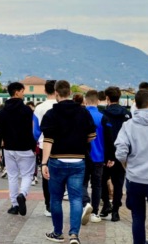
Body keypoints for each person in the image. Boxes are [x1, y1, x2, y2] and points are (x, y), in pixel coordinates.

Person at [41, 80, 96, 243]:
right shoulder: (83, 112)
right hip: (78, 160)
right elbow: (91, 137)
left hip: (56, 160)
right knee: (76, 198)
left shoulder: (51, 114)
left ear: (56, 93)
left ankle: (58, 233)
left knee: (55, 199)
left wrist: (44, 163)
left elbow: (47, 141)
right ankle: (74, 235)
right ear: (70, 93)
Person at [115, 89, 148, 244]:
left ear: (135, 104)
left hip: (135, 179)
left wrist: (127, 166)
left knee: (137, 217)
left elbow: (120, 153)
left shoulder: (128, 125)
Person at [0, 82, 36, 217]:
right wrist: (33, 146)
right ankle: (22, 194)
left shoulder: (3, 110)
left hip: (9, 148)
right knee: (27, 175)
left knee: (12, 176)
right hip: (25, 148)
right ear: (17, 92)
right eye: (23, 91)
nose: (24, 94)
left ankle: (14, 205)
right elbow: (31, 131)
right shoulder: (27, 110)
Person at [82, 90, 115, 224]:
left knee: (82, 183)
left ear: (85, 101)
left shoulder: (81, 116)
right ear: (97, 101)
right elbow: (109, 139)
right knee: (97, 185)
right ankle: (95, 212)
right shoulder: (103, 117)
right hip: (98, 157)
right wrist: (111, 157)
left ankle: (85, 204)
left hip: (82, 157)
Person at [100, 86, 132, 222]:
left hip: (106, 154)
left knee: (102, 180)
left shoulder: (103, 114)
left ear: (107, 98)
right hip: (121, 154)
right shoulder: (127, 114)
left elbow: (102, 136)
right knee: (118, 183)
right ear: (119, 97)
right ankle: (115, 212)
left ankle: (106, 204)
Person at [33, 79, 57, 217]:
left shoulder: (39, 108)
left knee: (46, 175)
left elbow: (35, 131)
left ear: (44, 91)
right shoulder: (61, 105)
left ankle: (48, 205)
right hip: (61, 147)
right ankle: (57, 201)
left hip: (43, 145)